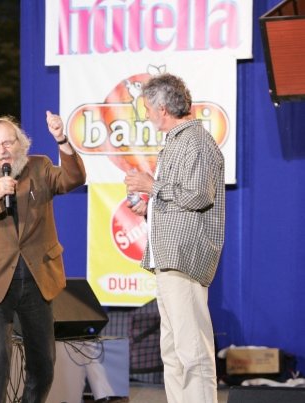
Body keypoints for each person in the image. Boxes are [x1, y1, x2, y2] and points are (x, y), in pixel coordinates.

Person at [0, 112, 86, 403]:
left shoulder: (40, 167)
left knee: (43, 361)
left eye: (7, 142)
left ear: (21, 143)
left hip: (37, 277)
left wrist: (61, 139)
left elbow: (74, 178)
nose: (2, 150)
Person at [124, 73, 225, 403]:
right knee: (173, 351)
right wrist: (150, 207)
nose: (147, 115)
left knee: (192, 351)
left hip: (184, 259)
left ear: (162, 108)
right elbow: (182, 200)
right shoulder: (177, 142)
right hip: (169, 259)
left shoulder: (195, 141)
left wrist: (150, 186)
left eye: (147, 109)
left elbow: (199, 195)